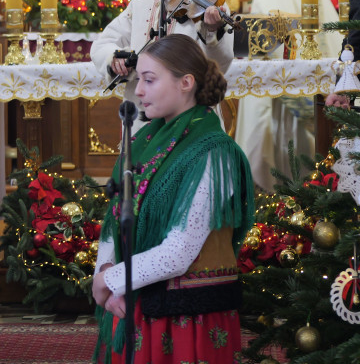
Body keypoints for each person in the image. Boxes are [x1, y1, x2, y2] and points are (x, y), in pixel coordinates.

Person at [91, 35, 254, 364]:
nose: (138, 91)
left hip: (187, 317)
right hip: (132, 297)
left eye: (149, 80)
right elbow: (115, 217)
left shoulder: (214, 151)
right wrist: (106, 269)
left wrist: (109, 280)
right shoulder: (143, 139)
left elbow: (180, 252)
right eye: (139, 80)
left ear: (186, 83)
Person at [90, 0, 232, 127]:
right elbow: (102, 44)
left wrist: (213, 32)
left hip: (191, 116)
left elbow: (221, 65)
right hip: (143, 114)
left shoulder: (211, 4)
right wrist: (115, 59)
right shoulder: (140, 5)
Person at [236, 0, 339, 191]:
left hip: (288, 88)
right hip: (312, 78)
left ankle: (282, 202)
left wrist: (241, 50)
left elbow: (268, 34)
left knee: (285, 160)